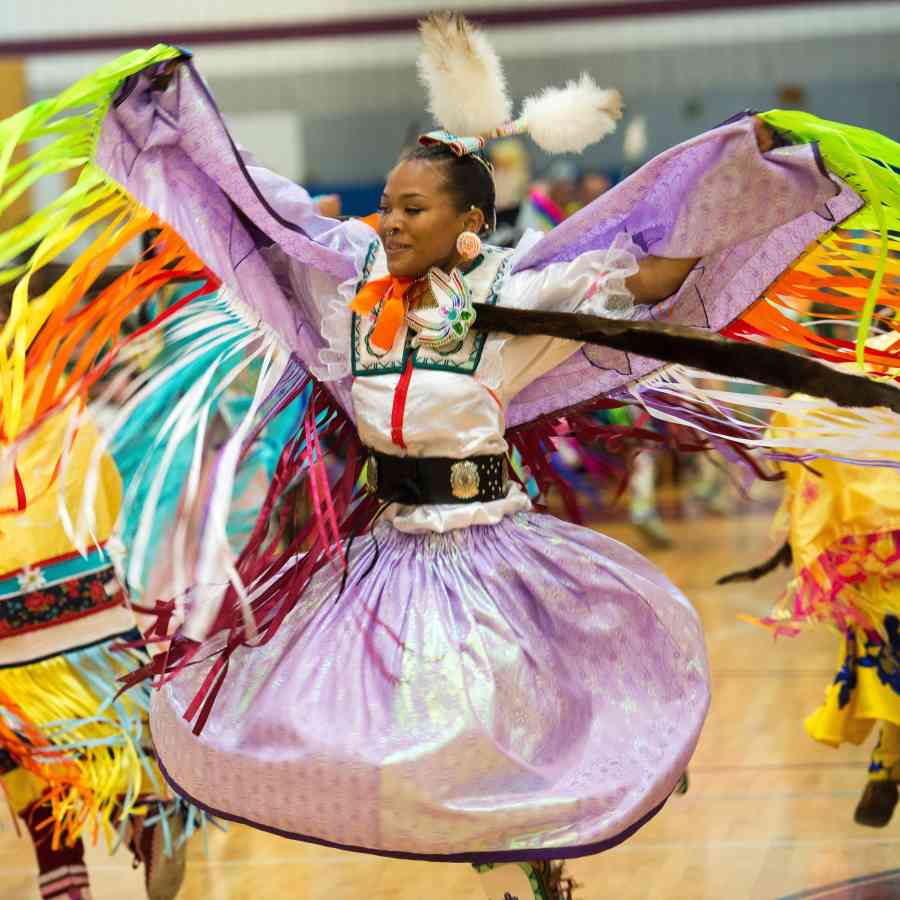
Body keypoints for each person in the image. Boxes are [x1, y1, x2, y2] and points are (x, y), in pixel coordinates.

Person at [4, 15, 900, 900]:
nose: (388, 220)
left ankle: (551, 863)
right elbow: (261, 216)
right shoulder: (348, 296)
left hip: (486, 556)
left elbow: (654, 274)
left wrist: (758, 170)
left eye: (411, 207)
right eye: (386, 204)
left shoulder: (522, 301)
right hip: (387, 556)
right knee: (319, 722)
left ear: (469, 221)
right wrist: (166, 122)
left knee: (505, 743)